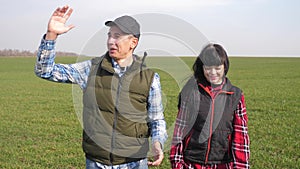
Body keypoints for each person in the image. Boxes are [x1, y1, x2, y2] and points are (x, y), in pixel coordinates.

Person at [35, 5, 167, 169]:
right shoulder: (90, 69)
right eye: (109, 36)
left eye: (117, 36)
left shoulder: (150, 79)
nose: (111, 41)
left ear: (133, 42)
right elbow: (45, 71)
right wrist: (51, 35)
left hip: (135, 162)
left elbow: (156, 119)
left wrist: (157, 143)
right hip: (97, 162)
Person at [169, 43, 250, 169]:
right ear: (202, 67)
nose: (212, 72)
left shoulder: (235, 96)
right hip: (191, 162)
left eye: (217, 68)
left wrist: (241, 166)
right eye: (208, 67)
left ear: (225, 66)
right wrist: (177, 162)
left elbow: (241, 135)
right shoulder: (190, 92)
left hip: (222, 163)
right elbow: (180, 130)